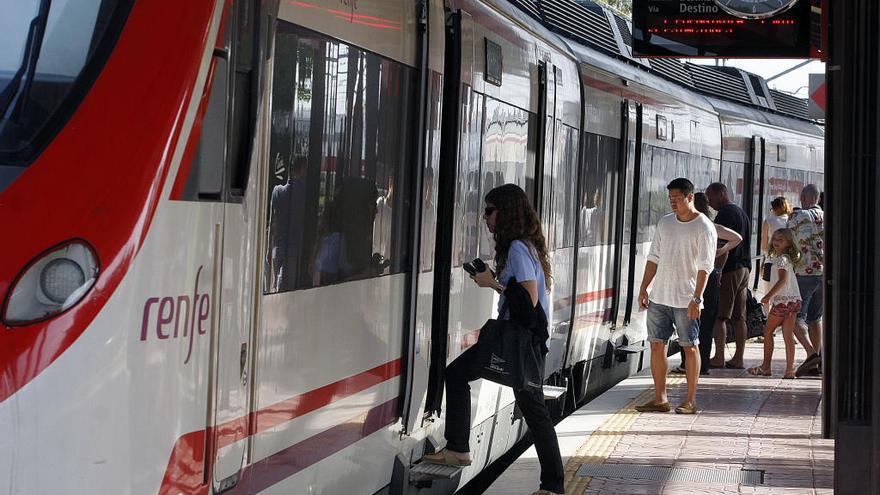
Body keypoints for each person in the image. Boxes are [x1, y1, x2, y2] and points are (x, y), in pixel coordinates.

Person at [423, 184, 565, 495]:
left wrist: (493, 283)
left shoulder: (517, 248)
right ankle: (460, 448)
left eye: (489, 211)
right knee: (529, 407)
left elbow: (526, 303)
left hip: (519, 339)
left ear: (505, 212)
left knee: (531, 409)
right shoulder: (525, 245)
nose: (485, 217)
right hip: (522, 338)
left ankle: (553, 485)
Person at [635, 178, 717, 415]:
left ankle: (690, 400)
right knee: (656, 344)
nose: (672, 202)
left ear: (690, 197)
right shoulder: (665, 223)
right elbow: (654, 258)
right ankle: (660, 398)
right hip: (660, 296)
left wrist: (697, 298)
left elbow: (705, 267)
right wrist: (644, 288)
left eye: (677, 198)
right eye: (670, 198)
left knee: (690, 347)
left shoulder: (704, 227)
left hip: (686, 298)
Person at [674, 192, 743, 376]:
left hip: (692, 277)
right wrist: (721, 250)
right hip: (710, 277)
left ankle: (686, 365)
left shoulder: (687, 225)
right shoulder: (712, 226)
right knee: (706, 323)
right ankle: (702, 365)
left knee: (687, 321)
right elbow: (737, 238)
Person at [747, 228, 819, 378]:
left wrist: (768, 296)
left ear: (788, 243)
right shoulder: (787, 258)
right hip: (793, 300)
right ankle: (789, 370)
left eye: (781, 240)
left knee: (767, 331)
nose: (776, 242)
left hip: (782, 301)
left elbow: (782, 280)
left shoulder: (781, 259)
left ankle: (766, 366)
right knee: (787, 335)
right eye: (775, 239)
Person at [706, 182, 751, 369]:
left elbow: (722, 247)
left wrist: (717, 272)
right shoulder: (741, 212)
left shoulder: (725, 214)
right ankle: (738, 358)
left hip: (730, 270)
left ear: (721, 194)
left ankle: (719, 357)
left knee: (720, 316)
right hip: (744, 268)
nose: (709, 203)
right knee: (739, 317)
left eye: (711, 197)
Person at [788, 184, 825, 376]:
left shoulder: (797, 217)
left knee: (792, 317)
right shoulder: (828, 216)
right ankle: (816, 362)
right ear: (818, 199)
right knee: (815, 318)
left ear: (803, 197)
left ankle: (811, 355)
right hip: (823, 274)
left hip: (803, 273)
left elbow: (786, 241)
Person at [267, 155, 307, 292]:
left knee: (277, 286)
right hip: (292, 251)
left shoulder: (277, 191)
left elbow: (271, 224)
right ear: (301, 169)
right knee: (286, 291)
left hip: (276, 250)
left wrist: (268, 249)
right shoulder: (302, 190)